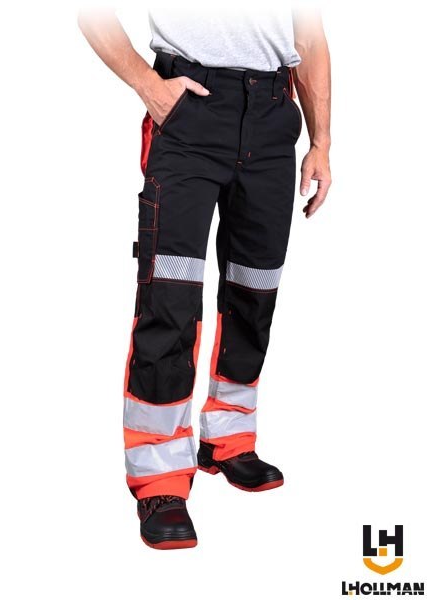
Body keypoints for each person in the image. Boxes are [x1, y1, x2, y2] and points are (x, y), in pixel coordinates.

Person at [78, 2, 331, 550]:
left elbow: (309, 35)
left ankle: (229, 439)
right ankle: (159, 478)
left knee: (254, 291)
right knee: (170, 298)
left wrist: (321, 143)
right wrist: (149, 87)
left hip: (272, 118)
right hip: (191, 110)